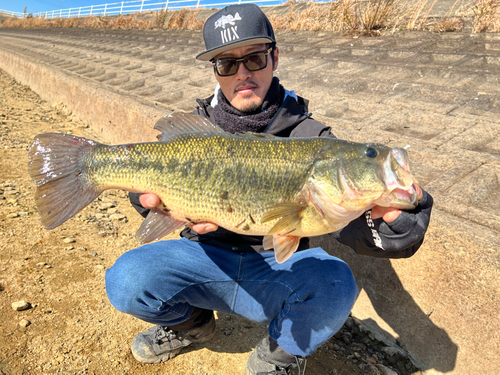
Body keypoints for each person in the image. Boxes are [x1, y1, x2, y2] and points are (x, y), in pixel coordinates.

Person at [105, 4, 433, 374]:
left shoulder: (314, 140)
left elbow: (359, 228)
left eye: (255, 58)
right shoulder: (198, 129)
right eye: (227, 64)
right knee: (126, 279)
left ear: (275, 58)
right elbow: (149, 188)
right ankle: (192, 325)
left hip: (274, 272)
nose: (242, 73)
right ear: (215, 71)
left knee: (337, 285)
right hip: (206, 258)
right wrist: (145, 195)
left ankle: (278, 356)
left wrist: (398, 226)